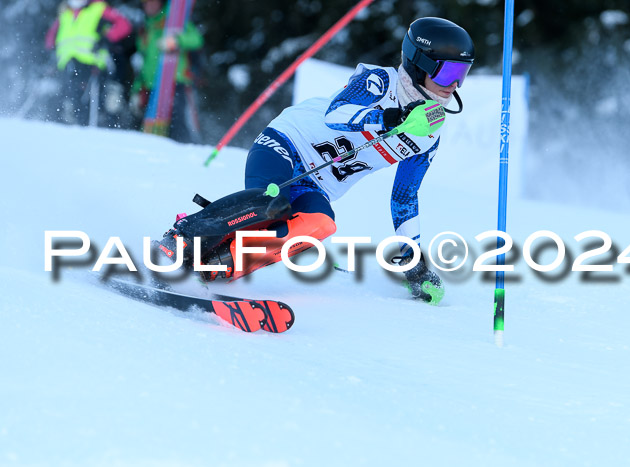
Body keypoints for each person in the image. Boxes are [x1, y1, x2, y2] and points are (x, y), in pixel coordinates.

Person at [157, 17, 475, 304]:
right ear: (420, 64)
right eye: (449, 71)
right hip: (286, 143)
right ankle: (182, 238)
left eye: (463, 72)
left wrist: (413, 263)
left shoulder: (428, 135)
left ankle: (218, 265)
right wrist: (390, 117)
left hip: (314, 183)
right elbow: (337, 114)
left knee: (320, 224)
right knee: (271, 202)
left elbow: (404, 197)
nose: (455, 84)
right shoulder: (379, 82)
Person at [45, 0, 132, 126]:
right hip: (66, 67)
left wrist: (107, 37)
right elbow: (49, 40)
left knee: (90, 108)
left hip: (92, 65)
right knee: (67, 108)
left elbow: (124, 25)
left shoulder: (98, 8)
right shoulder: (65, 13)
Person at [129, 0, 204, 144]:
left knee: (177, 124)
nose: (149, 6)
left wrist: (176, 40)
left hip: (175, 81)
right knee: (149, 126)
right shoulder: (146, 27)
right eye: (146, 3)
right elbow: (144, 62)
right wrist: (137, 89)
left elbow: (196, 39)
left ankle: (185, 152)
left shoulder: (174, 20)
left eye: (153, 3)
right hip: (151, 85)